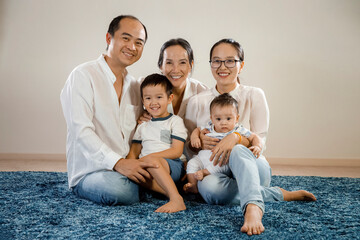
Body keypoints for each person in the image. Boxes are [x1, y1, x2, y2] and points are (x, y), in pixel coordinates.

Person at [185, 38, 316, 236]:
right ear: (210, 64)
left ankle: (253, 207)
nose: (223, 67)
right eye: (216, 61)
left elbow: (260, 140)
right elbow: (189, 148)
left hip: (253, 167)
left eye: (230, 61)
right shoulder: (197, 101)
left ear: (241, 65)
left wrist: (236, 138)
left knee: (238, 149)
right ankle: (279, 194)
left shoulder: (255, 94)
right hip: (215, 171)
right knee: (211, 192)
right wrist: (199, 142)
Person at [60, 15, 157, 206]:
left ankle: (144, 183)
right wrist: (118, 164)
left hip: (128, 165)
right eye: (126, 38)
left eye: (139, 42)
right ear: (108, 38)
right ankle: (145, 186)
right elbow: (81, 131)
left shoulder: (136, 85)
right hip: (91, 172)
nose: (132, 47)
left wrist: (147, 118)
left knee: (168, 169)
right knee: (121, 190)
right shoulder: (83, 75)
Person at [127, 73, 187, 213]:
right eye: (148, 98)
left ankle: (176, 200)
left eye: (159, 97)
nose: (153, 102)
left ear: (169, 98)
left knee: (153, 163)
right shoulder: (143, 126)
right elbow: (134, 152)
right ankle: (172, 191)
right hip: (147, 165)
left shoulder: (175, 121)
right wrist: (130, 165)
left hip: (172, 164)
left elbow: (176, 151)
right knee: (136, 174)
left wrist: (151, 157)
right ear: (143, 101)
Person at [183, 93, 262, 194]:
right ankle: (193, 185)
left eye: (228, 119)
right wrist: (194, 137)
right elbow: (197, 130)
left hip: (221, 160)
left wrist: (257, 146)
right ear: (212, 118)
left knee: (222, 165)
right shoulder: (210, 126)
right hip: (202, 157)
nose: (223, 123)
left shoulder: (238, 129)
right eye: (218, 119)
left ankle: (205, 172)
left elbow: (254, 136)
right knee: (192, 163)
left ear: (236, 118)